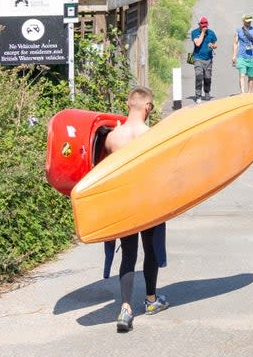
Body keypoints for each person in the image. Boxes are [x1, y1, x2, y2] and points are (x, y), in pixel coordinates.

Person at [105, 87, 168, 332]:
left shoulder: (113, 138)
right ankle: (151, 301)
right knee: (150, 251)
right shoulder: (152, 135)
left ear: (127, 104)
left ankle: (125, 309)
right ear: (148, 107)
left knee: (128, 255)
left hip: (123, 202)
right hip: (148, 202)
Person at [189, 16, 217, 101]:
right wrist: (202, 33)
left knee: (207, 77)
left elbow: (216, 44)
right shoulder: (194, 32)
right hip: (197, 58)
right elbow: (197, 43)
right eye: (202, 25)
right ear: (199, 24)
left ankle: (207, 92)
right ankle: (198, 95)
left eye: (205, 25)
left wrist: (213, 45)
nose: (204, 27)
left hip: (208, 59)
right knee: (199, 76)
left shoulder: (211, 33)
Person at [231, 14, 253, 94]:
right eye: (247, 21)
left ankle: (249, 93)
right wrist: (234, 55)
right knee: (242, 75)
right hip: (241, 56)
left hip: (252, 57)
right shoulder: (238, 31)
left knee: (251, 77)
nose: (249, 23)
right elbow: (235, 43)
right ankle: (243, 93)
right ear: (243, 21)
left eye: (250, 21)